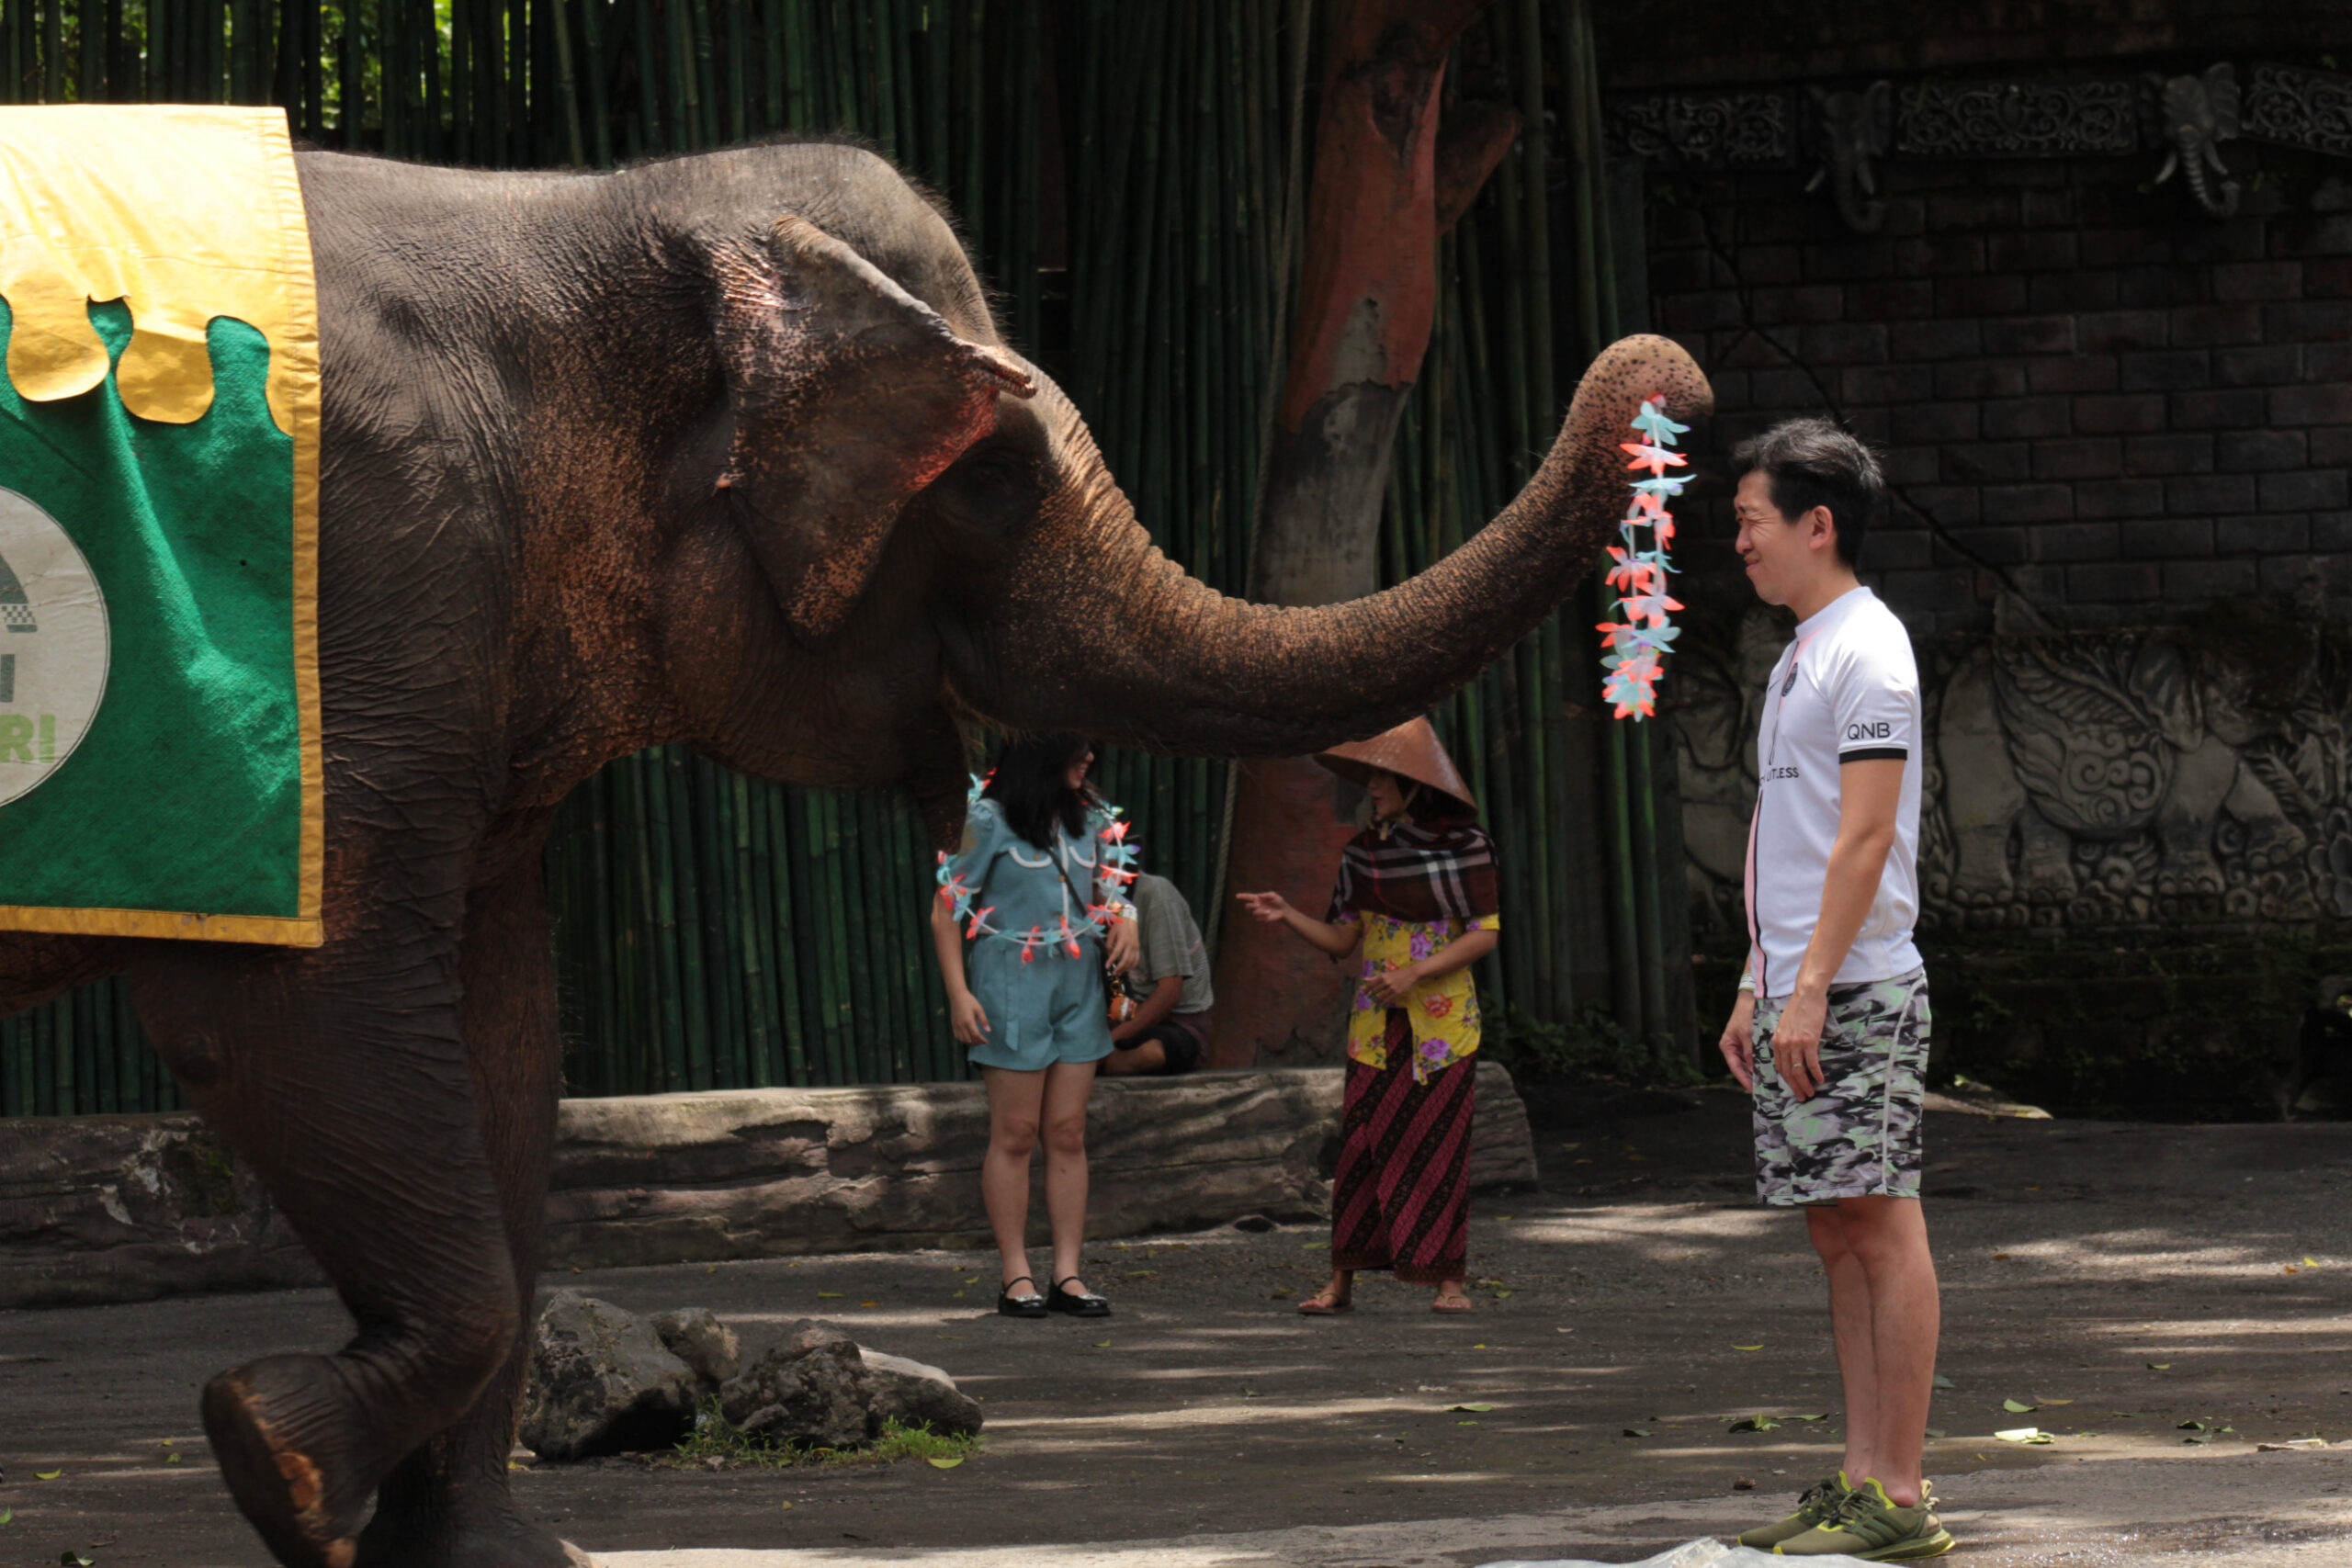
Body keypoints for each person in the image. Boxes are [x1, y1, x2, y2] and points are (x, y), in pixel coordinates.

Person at [1716, 418, 1951, 1562]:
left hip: (1856, 986)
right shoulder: (1804, 649)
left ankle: (1899, 1494)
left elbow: (1863, 842)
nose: (1741, 545)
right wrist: (1756, 984)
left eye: (1752, 521)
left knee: (1882, 1218)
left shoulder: (1871, 649)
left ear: (1819, 524)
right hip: (1806, 984)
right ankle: (1861, 1478)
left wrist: (1805, 986)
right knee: (1835, 1228)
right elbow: (1793, 836)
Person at [1237, 716, 1498, 1316]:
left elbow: (1485, 934)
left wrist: (1414, 973)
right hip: (1374, 1025)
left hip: (1442, 1027)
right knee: (1360, 1144)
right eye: (1373, 777)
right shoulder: (1363, 852)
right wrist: (1288, 915)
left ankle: (1447, 1280)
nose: (1373, 788)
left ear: (1417, 785)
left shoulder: (1468, 847)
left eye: (1385, 778)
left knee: (1438, 1143)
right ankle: (1340, 1282)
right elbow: (1342, 939)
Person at [930, 734, 1139, 1321]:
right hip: (1009, 987)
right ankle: (1015, 1274)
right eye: (1077, 749)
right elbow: (945, 909)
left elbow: (1111, 890)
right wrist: (959, 994)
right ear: (1040, 752)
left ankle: (1067, 1274)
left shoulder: (1092, 816)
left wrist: (1127, 919)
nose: (1090, 758)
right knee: (1017, 1132)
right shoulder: (986, 818)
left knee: (1068, 1131)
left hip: (1078, 985)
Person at [1103, 872, 1215, 1075]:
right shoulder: (1080, 899)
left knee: (1152, 1053)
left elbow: (1170, 992)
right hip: (1122, 1014)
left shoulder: (1156, 895)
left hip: (1178, 1020)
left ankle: (1104, 1064)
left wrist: (1109, 1041)